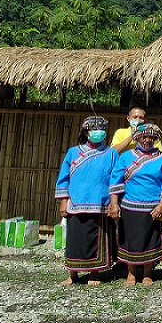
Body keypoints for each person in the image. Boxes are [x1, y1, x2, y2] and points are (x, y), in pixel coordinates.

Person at [55, 116, 119, 286]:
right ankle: (72, 274)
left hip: (100, 204)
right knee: (74, 241)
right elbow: (63, 178)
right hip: (76, 203)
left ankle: (94, 274)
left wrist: (113, 202)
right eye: (94, 129)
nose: (98, 132)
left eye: (101, 129)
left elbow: (115, 180)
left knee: (96, 241)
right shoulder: (73, 152)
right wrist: (63, 201)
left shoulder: (111, 154)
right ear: (86, 132)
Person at [108, 123, 162, 286]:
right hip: (130, 206)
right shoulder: (126, 157)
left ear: (156, 138)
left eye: (151, 137)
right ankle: (131, 274)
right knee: (130, 241)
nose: (147, 140)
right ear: (137, 137)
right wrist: (114, 203)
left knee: (150, 240)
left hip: (153, 208)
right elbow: (116, 180)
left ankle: (147, 274)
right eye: (143, 136)